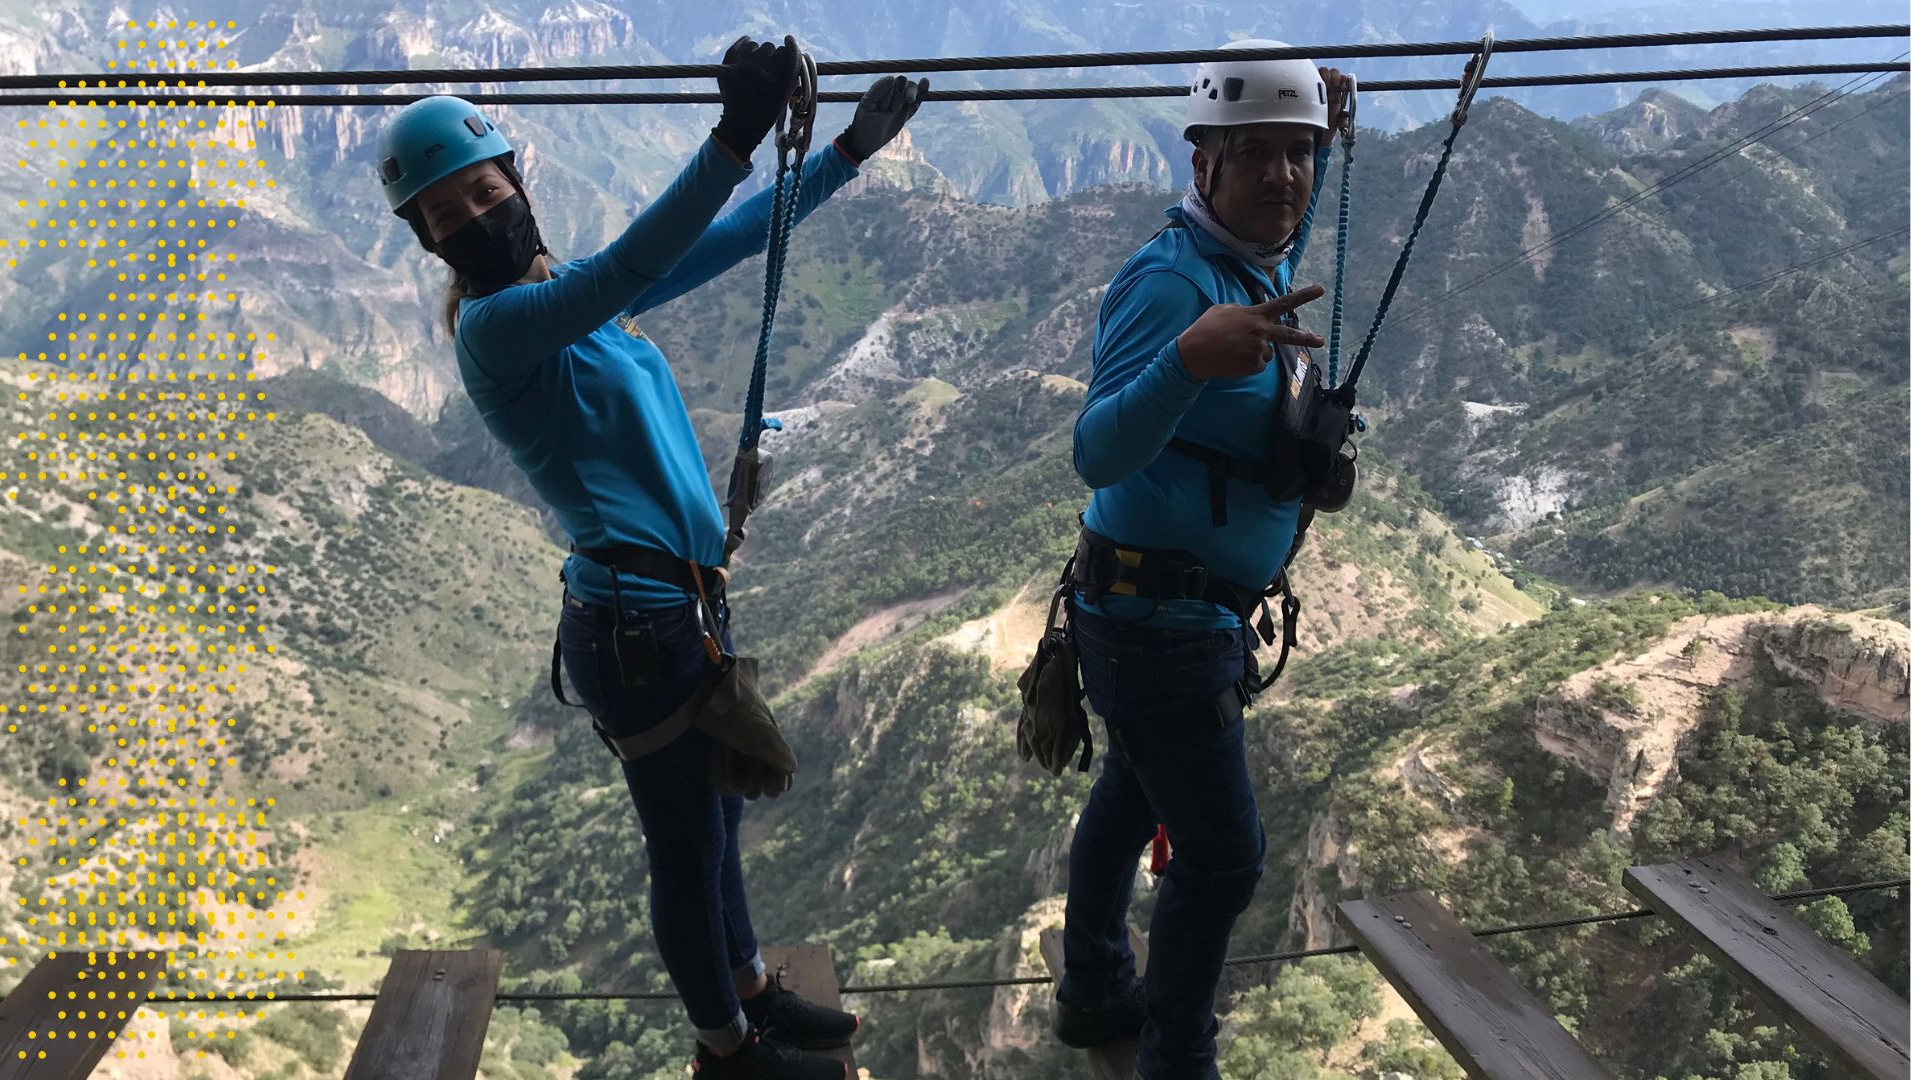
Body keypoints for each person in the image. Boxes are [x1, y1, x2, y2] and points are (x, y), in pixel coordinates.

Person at [372, 37, 927, 1080]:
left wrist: (847, 151)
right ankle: (725, 1049)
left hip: (680, 611)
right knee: (685, 849)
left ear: (519, 185)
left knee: (717, 822)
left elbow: (722, 244)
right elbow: (638, 260)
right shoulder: (500, 329)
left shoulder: (574, 292)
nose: (475, 221)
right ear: (428, 240)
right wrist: (730, 136)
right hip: (634, 630)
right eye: (447, 216)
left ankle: (753, 993)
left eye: (484, 193)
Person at [1049, 41, 1352, 1079]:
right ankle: (1176, 1058)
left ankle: (1092, 983)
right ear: (1201, 164)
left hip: (1162, 619)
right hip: (1161, 631)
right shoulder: (1172, 287)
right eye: (1257, 155)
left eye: (1299, 156)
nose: (1284, 177)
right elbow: (1094, 450)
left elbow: (1281, 223)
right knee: (1222, 861)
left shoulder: (1246, 264)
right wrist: (1185, 364)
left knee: (1130, 794)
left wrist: (1327, 139)